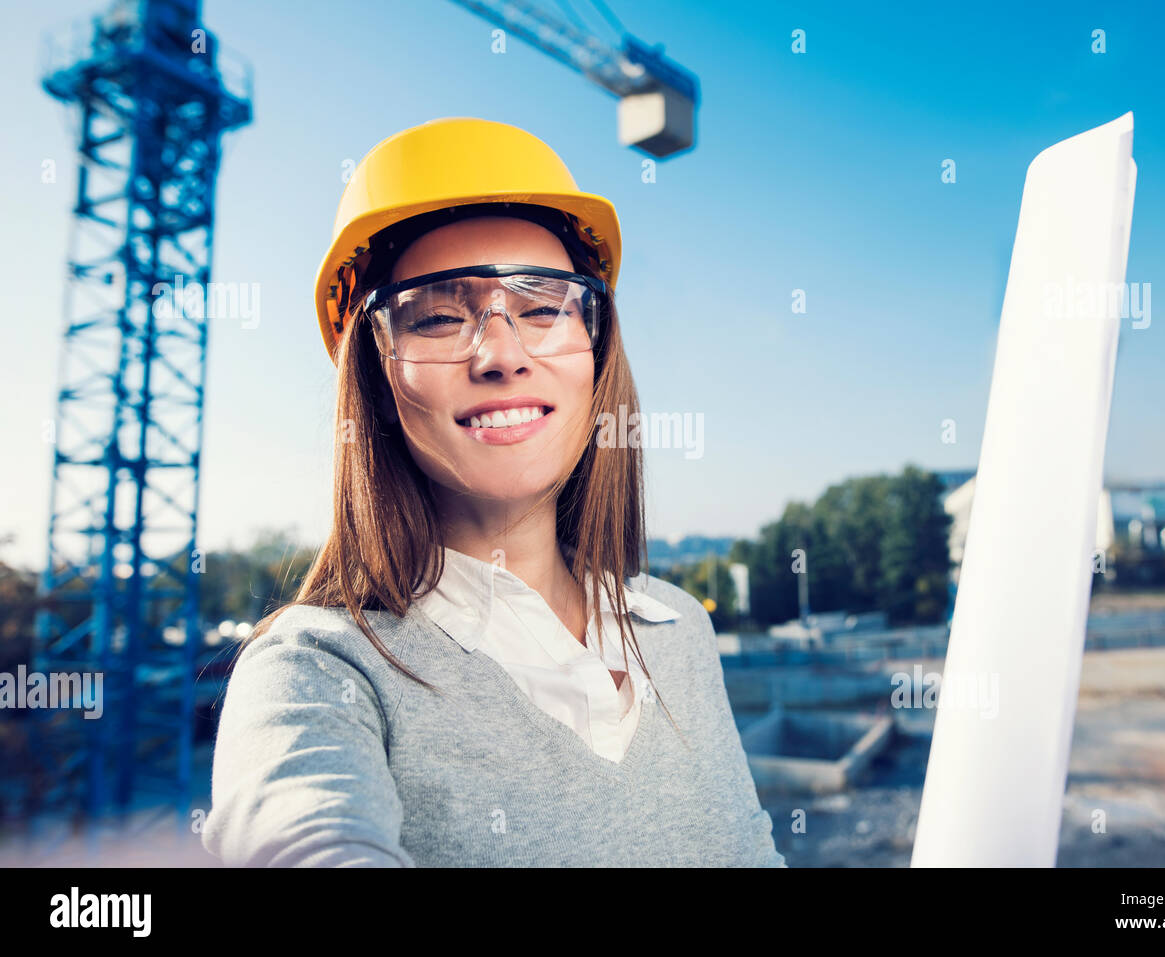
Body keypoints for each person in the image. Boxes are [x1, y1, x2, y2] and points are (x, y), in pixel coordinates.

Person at [202, 117, 785, 867]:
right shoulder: (314, 671)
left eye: (544, 307)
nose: (503, 354)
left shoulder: (675, 627)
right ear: (377, 383)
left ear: (596, 353)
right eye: (440, 316)